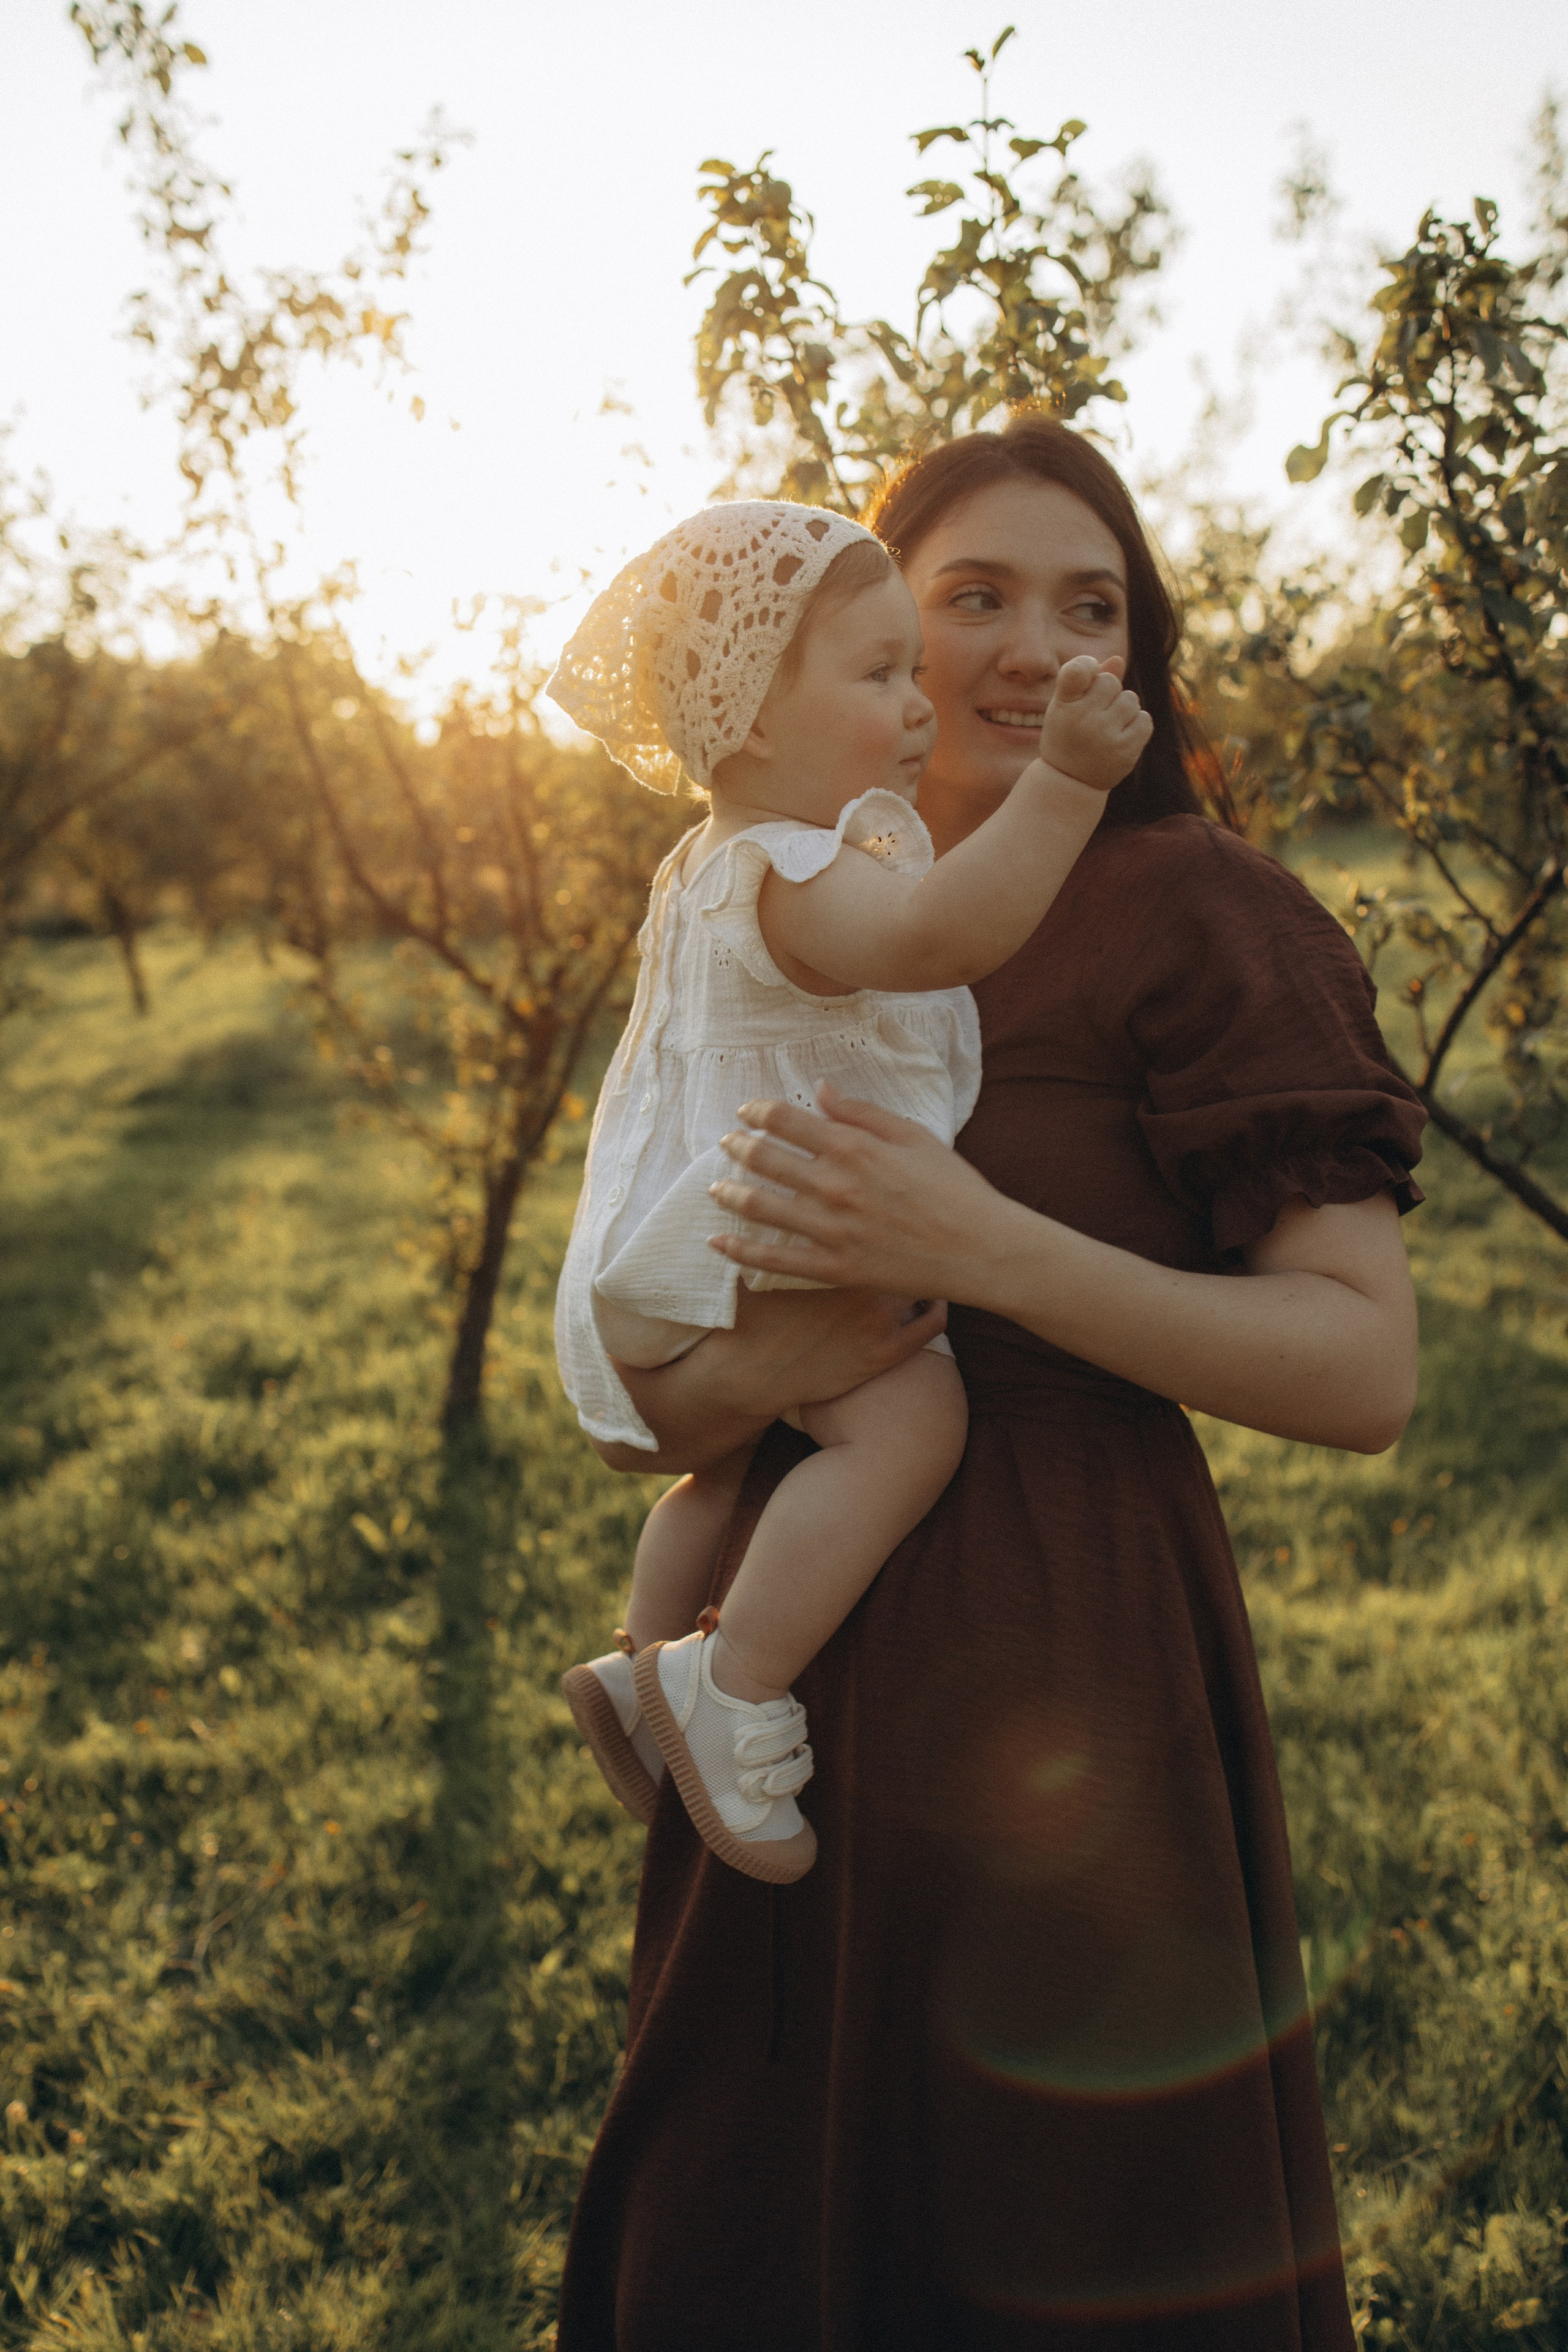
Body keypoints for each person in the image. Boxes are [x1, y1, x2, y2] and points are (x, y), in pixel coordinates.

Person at [555, 420, 1425, 2352]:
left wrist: (988, 1251)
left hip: (1069, 1657)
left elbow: (1364, 1369)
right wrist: (744, 1382)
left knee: (1059, 2221)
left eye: (1091, 604)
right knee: (758, 2204)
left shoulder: (1205, 910)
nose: (1036, 647)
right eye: (974, 598)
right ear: (852, 640)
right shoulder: (784, 907)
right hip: (781, 1655)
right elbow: (676, 1383)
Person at [548, 499, 1152, 1883]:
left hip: (696, 1240)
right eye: (878, 675)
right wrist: (1063, 783)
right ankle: (730, 1680)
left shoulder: (703, 869)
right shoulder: (789, 870)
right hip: (776, 1221)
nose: (919, 704)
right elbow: (938, 936)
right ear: (754, 716)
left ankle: (641, 1667)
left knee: (731, 1463)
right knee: (907, 1422)